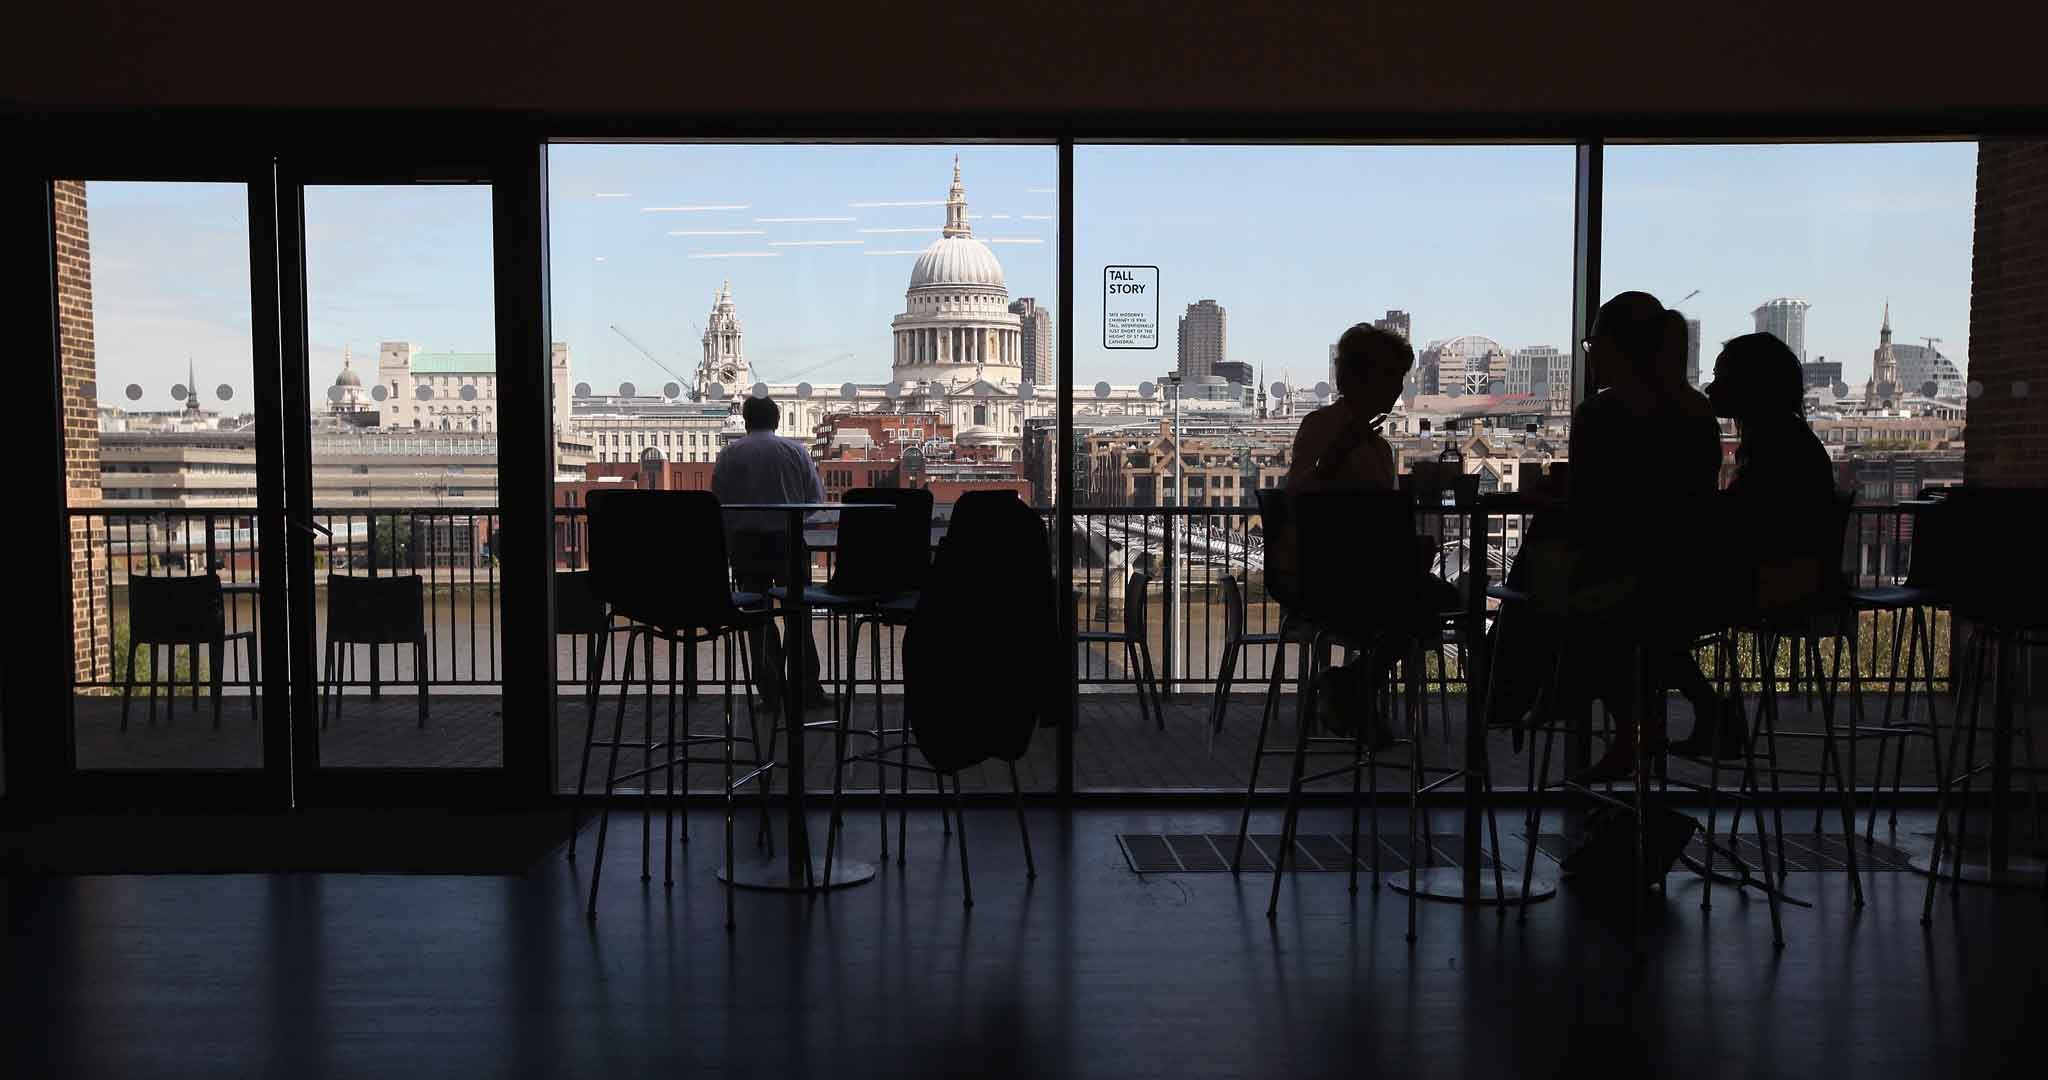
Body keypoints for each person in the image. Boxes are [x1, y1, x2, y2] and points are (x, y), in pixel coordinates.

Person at [1554, 292, 1724, 784]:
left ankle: (1545, 693)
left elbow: (1585, 514)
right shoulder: (1695, 411)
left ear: (1612, 347)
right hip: (1690, 580)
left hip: (1626, 581)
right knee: (1640, 618)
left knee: (1570, 597)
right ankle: (1676, 709)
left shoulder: (1600, 415)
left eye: (1591, 343)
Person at [1279, 323, 1456, 743]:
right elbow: (1299, 496)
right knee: (1437, 604)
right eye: (1390, 377)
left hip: (1345, 576)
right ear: (1356, 378)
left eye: (1400, 378)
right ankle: (1357, 687)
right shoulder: (1327, 431)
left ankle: (1353, 687)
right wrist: (1337, 454)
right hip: (1336, 580)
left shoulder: (1376, 446)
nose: (1397, 389)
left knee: (1420, 604)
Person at [1666, 332, 1838, 756]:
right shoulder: (1787, 441)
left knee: (1640, 609)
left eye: (1722, 378)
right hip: (1785, 581)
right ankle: (1708, 711)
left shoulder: (1776, 447)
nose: (1712, 388)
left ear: (1752, 386)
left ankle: (1706, 713)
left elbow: (1742, 521)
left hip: (1771, 586)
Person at [712, 395, 831, 710]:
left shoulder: (729, 455)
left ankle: (771, 691)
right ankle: (807, 689)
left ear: (747, 421)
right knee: (799, 615)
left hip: (747, 543)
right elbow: (815, 501)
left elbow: (717, 504)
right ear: (777, 421)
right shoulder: (796, 451)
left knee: (757, 616)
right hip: (788, 541)